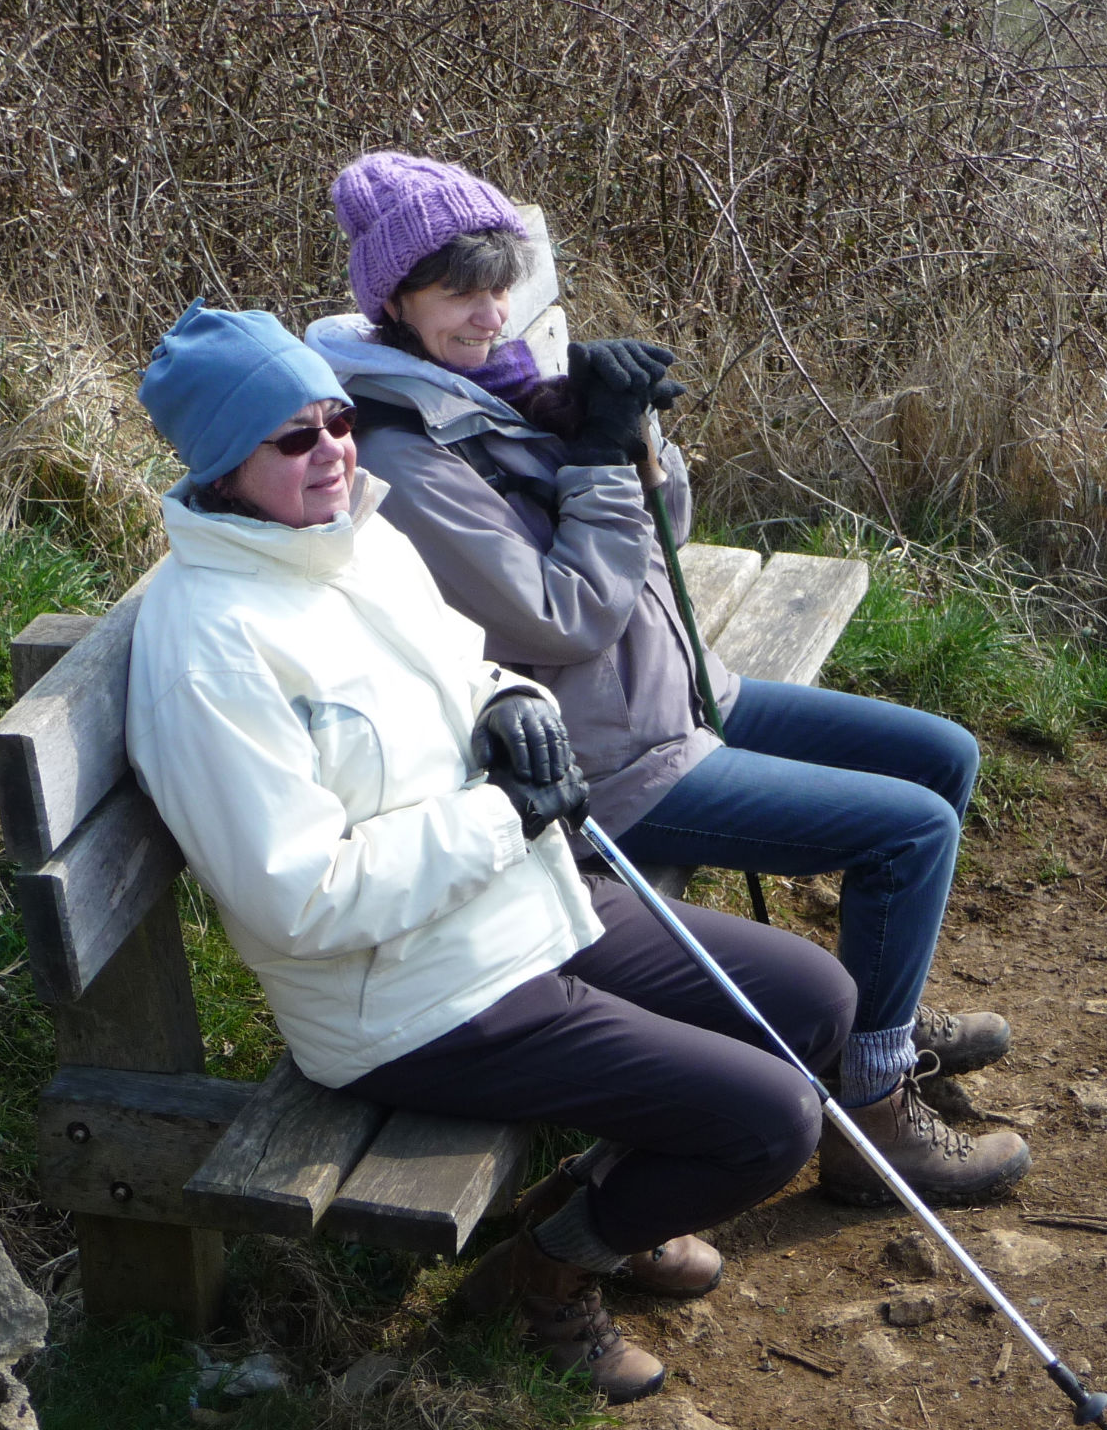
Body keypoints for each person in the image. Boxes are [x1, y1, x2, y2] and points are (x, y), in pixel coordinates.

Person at [123, 301, 856, 1403]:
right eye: (293, 437)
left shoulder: (359, 540)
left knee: (813, 997)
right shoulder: (209, 652)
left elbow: (465, 670)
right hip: (406, 997)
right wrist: (499, 817)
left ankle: (600, 1201)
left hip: (522, 901)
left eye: (336, 420)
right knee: (770, 1122)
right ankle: (543, 1276)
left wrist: (512, 703)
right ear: (223, 464)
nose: (331, 449)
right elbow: (296, 900)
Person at [304, 152, 1030, 1206]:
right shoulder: (404, 455)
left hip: (679, 692)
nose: (491, 310)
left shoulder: (498, 394)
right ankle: (869, 1109)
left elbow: (663, 547)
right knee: (910, 832)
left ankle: (876, 1014)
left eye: (500, 280)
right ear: (393, 301)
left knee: (941, 756)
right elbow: (562, 619)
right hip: (605, 765)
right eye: (458, 288)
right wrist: (594, 460)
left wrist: (636, 441)